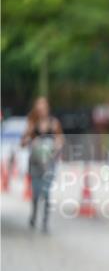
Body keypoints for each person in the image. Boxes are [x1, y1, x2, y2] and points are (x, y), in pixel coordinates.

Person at [20, 96, 64, 233]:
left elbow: (60, 139)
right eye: (39, 107)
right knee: (36, 193)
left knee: (46, 192)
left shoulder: (54, 123)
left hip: (49, 163)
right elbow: (22, 142)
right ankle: (33, 215)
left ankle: (45, 222)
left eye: (43, 107)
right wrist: (29, 140)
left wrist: (56, 146)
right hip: (35, 163)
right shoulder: (32, 124)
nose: (41, 110)